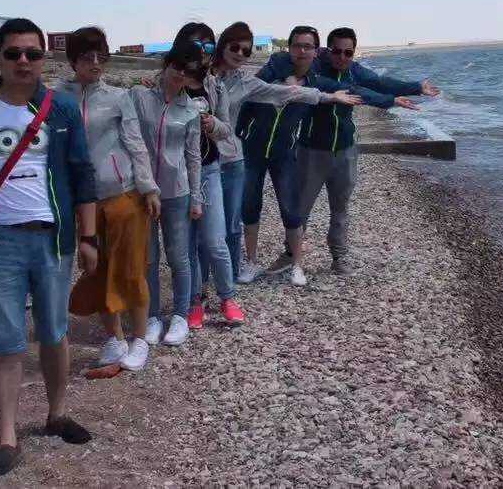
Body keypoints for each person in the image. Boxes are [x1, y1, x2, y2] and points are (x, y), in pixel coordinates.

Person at [0, 17, 98, 476]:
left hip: (53, 238)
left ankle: (56, 414)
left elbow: (83, 175)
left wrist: (88, 238)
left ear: (44, 58)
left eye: (33, 53)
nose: (23, 61)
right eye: (14, 53)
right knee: (5, 340)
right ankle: (7, 436)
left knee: (54, 331)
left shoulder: (61, 109)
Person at [192, 21, 360, 321]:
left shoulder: (252, 82)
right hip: (221, 157)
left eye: (246, 50)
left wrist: (333, 97)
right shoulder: (207, 76)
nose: (240, 53)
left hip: (249, 157)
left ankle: (233, 284)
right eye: (235, 47)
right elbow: (179, 89)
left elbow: (292, 93)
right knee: (224, 221)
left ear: (315, 51)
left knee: (252, 219)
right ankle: (205, 288)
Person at [237, 25, 405, 286]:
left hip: (323, 151)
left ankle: (323, 260)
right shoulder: (276, 70)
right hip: (290, 152)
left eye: (348, 52)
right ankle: (263, 260)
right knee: (264, 208)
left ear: (317, 51)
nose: (342, 57)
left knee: (322, 209)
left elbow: (363, 89)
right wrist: (238, 134)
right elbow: (248, 99)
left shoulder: (324, 79)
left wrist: (393, 99)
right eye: (297, 45)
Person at [58, 27, 162, 372]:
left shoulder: (119, 97)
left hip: (123, 193)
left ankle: (140, 340)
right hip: (83, 201)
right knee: (97, 270)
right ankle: (115, 339)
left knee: (132, 268)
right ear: (72, 60)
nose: (95, 63)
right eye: (87, 56)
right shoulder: (57, 98)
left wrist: (149, 188)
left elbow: (135, 143)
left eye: (101, 56)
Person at [294, 27, 439, 275]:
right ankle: (291, 256)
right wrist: (389, 100)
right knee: (301, 209)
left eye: (348, 53)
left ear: (353, 53)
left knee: (340, 209)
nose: (342, 57)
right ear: (327, 50)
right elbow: (353, 91)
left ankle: (339, 258)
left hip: (345, 150)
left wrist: (415, 87)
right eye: (337, 51)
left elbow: (379, 82)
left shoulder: (354, 69)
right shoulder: (314, 69)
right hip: (312, 150)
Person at [130, 40, 205, 347]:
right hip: (143, 190)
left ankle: (180, 316)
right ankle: (151, 317)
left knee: (179, 256)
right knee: (148, 257)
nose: (180, 74)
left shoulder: (191, 110)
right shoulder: (139, 97)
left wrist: (197, 197)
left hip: (177, 192)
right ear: (166, 65)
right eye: (176, 66)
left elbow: (194, 157)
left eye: (187, 71)